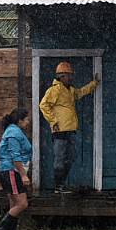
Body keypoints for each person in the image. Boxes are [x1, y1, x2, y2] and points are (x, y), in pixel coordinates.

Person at [38, 61, 99, 193]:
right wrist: (53, 121)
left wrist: (93, 84)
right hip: (59, 130)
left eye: (71, 75)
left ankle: (61, 185)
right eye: (69, 75)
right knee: (59, 159)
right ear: (61, 76)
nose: (71, 77)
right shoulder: (54, 90)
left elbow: (80, 92)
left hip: (70, 130)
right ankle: (58, 187)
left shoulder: (70, 90)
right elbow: (43, 105)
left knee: (70, 157)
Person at [0, 108, 32, 230]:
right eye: (26, 120)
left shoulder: (13, 131)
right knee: (22, 203)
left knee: (14, 204)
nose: (28, 122)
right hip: (11, 171)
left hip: (9, 171)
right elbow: (15, 156)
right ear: (19, 120)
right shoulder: (14, 133)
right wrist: (23, 175)